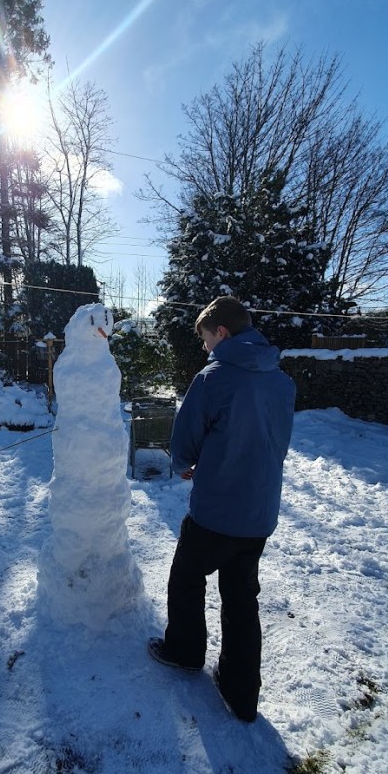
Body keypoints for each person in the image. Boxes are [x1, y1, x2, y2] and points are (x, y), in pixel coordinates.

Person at [148, 295, 296, 723]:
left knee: (187, 577)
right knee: (241, 598)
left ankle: (185, 651)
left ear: (223, 332)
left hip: (216, 511)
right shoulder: (282, 382)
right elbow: (275, 444)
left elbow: (184, 442)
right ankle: (241, 692)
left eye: (206, 338)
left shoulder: (213, 377)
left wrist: (184, 465)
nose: (204, 347)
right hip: (259, 514)